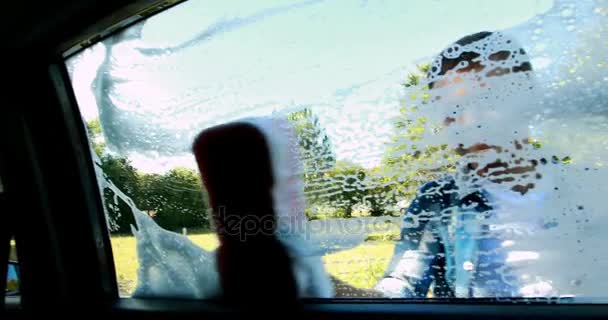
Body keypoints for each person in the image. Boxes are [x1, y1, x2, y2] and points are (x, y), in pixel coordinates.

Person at [374, 31, 540, 298]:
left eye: (486, 100)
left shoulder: (588, 193)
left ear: (528, 99)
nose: (469, 122)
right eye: (451, 111)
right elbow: (402, 283)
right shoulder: (437, 200)